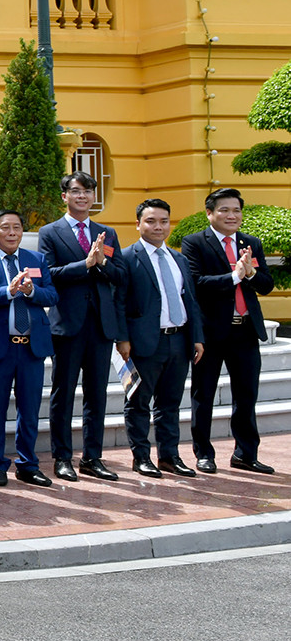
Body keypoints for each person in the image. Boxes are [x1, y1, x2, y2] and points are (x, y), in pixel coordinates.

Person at [37, 171, 127, 481]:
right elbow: (49, 273)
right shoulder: (50, 232)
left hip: (101, 325)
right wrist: (85, 264)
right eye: (76, 191)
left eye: (88, 191)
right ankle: (62, 457)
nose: (82, 197)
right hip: (67, 324)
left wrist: (102, 263)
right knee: (64, 392)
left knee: (97, 393)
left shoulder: (107, 232)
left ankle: (93, 457)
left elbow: (119, 275)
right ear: (64, 196)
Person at [183, 186, 277, 473]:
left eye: (236, 210)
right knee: (204, 394)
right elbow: (196, 283)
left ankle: (245, 454)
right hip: (211, 333)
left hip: (246, 330)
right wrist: (233, 276)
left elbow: (267, 285)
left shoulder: (251, 243)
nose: (231, 215)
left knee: (247, 395)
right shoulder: (194, 242)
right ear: (209, 213)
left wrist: (250, 274)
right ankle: (204, 453)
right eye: (224, 209)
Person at [114, 198, 205, 479]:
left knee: (170, 402)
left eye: (164, 221)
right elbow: (118, 302)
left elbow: (190, 300)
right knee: (139, 402)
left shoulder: (179, 258)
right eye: (151, 221)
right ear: (138, 224)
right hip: (142, 343)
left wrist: (197, 337)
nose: (158, 226)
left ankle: (169, 456)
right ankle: (141, 457)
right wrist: (122, 339)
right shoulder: (128, 257)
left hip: (178, 340)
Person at [0, 209, 60, 488]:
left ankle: (27, 464)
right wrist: (7, 292)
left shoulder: (36, 259)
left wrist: (30, 291)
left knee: (29, 409)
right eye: (6, 228)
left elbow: (52, 294)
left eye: (17, 228)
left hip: (31, 347)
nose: (12, 233)